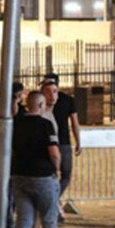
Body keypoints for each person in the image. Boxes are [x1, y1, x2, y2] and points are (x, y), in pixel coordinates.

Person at [8, 91, 78, 228]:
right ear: (40, 106)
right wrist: (56, 170)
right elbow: (54, 153)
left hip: (20, 176)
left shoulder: (15, 124)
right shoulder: (45, 124)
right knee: (48, 220)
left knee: (23, 221)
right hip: (43, 177)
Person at [42, 75, 82, 203]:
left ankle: (52, 198)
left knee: (56, 174)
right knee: (64, 175)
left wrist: (78, 141)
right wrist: (78, 142)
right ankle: (53, 199)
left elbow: (75, 123)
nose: (52, 95)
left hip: (57, 142)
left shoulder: (64, 100)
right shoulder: (67, 100)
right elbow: (75, 123)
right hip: (61, 142)